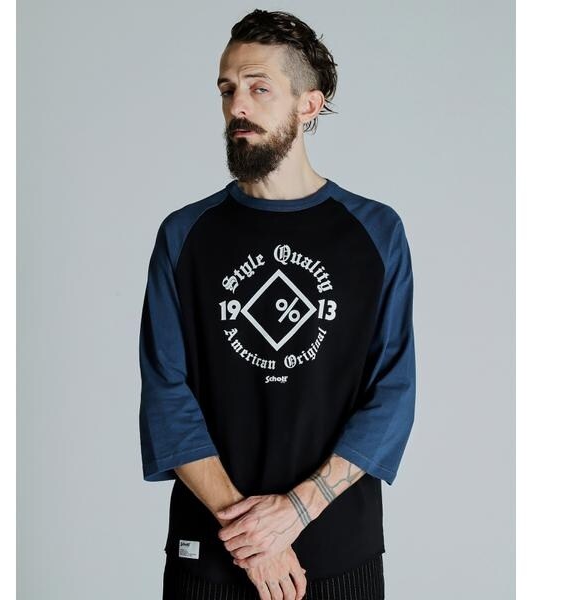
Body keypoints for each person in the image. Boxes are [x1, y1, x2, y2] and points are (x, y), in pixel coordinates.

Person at [138, 9, 416, 600]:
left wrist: (295, 511)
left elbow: (392, 394)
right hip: (210, 556)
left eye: (259, 88)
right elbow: (166, 395)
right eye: (227, 90)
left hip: (339, 552)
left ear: (308, 105)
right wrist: (253, 538)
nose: (237, 106)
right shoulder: (184, 235)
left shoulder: (376, 233)